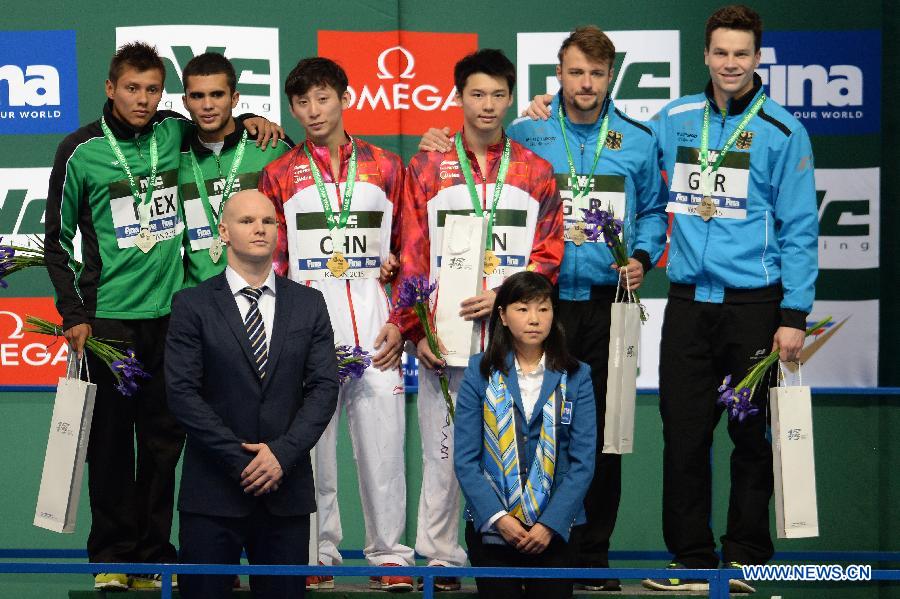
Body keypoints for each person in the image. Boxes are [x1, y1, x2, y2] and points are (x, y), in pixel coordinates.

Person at [421, 27, 667, 591]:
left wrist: (645, 257)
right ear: (558, 73)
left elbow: (654, 211)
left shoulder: (637, 138)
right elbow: (475, 144)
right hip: (540, 310)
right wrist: (438, 139)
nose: (586, 83)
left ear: (612, 78)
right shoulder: (527, 132)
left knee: (602, 432)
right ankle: (514, 542)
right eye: (576, 72)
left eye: (597, 74)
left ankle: (591, 555)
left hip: (609, 305)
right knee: (516, 426)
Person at [42, 41, 282, 591]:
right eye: (132, 88)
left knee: (162, 443)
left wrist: (252, 118)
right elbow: (54, 241)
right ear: (110, 88)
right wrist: (73, 311)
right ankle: (109, 556)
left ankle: (152, 555)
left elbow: (217, 126)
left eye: (153, 89)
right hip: (107, 321)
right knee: (107, 444)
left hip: (173, 318)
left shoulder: (174, 132)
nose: (143, 100)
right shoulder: (79, 151)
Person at [640, 5, 818, 593]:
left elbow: (799, 230)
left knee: (751, 438)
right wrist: (542, 110)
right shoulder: (674, 118)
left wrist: (793, 316)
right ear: (706, 55)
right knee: (684, 433)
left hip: (755, 308)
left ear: (758, 58)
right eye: (721, 53)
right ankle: (690, 559)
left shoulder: (785, 131)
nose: (730, 64)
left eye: (741, 54)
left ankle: (745, 556)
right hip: (689, 305)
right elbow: (619, 147)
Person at [392, 48, 564, 590]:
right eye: (476, 94)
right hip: (448, 337)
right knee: (446, 450)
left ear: (510, 98)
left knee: (517, 448)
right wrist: (417, 327)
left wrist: (506, 296)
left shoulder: (536, 171)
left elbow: (549, 251)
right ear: (458, 97)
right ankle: (441, 557)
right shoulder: (426, 166)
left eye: (497, 95)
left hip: (517, 340)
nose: (487, 105)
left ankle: (514, 548)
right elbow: (412, 250)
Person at [258, 57, 414, 591]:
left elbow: (410, 249)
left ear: (344, 96)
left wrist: (402, 320)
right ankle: (317, 555)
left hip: (375, 330)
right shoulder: (279, 173)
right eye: (302, 102)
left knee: (384, 447)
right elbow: (274, 260)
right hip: (308, 332)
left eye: (323, 98)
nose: (313, 110)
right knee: (311, 450)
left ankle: (390, 555)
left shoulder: (388, 166)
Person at [165, 189, 338, 599]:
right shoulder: (191, 305)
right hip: (212, 492)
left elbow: (324, 387)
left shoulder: (309, 304)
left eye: (268, 221)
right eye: (246, 221)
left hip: (286, 491)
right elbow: (182, 393)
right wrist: (240, 459)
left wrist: (281, 454)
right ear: (223, 231)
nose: (259, 229)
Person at [454, 271, 596, 599]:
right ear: (502, 316)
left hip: (557, 531)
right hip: (493, 530)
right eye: (522, 309)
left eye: (543, 309)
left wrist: (550, 524)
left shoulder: (577, 375)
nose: (534, 319)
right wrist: (500, 518)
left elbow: (583, 462)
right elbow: (465, 459)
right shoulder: (479, 372)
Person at [178, 52, 293, 288]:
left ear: (234, 98)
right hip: (200, 298)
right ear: (185, 101)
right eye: (197, 96)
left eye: (217, 94)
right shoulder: (175, 155)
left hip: (264, 293)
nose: (207, 105)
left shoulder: (271, 146)